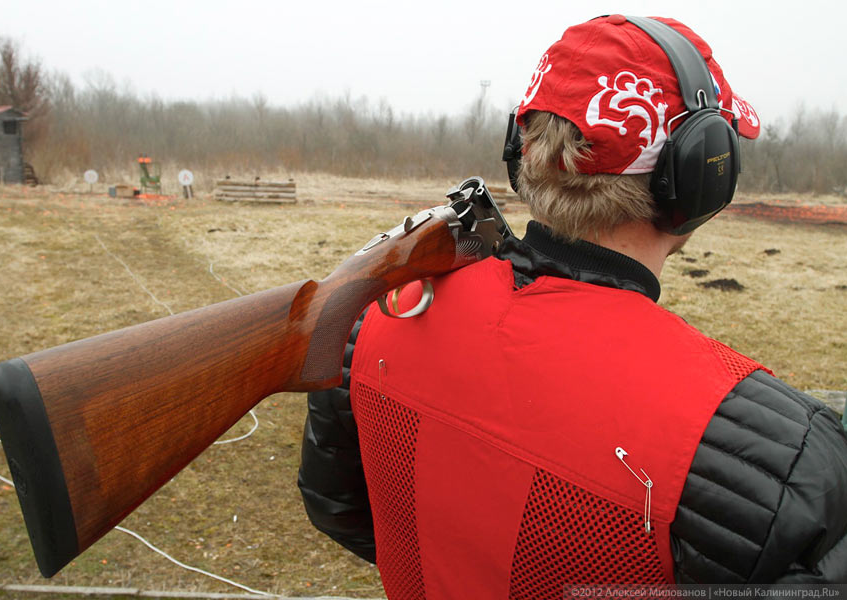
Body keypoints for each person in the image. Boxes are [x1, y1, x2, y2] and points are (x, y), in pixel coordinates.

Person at [298, 15, 847, 597]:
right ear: (697, 177)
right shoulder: (788, 461)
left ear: (523, 150)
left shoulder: (375, 321)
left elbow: (340, 510)